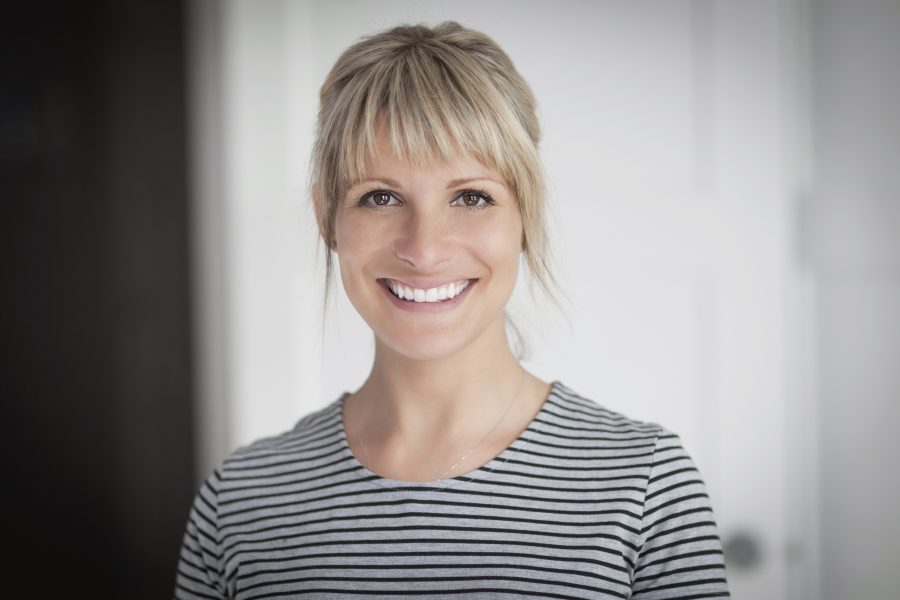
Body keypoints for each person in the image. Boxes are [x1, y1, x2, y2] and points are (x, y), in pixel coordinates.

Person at [175, 22, 730, 600]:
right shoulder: (240, 503)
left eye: (471, 197)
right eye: (381, 197)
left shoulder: (644, 487)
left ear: (526, 217)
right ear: (326, 219)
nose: (425, 249)